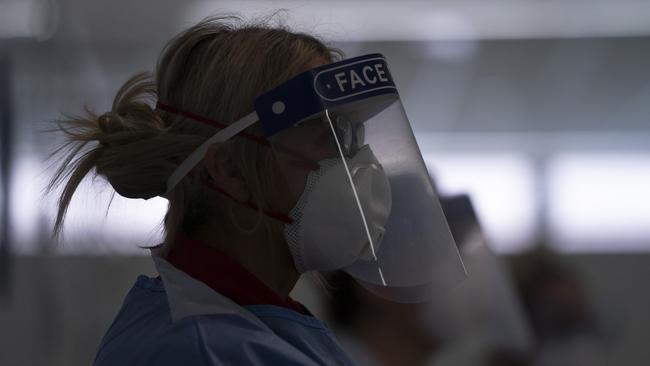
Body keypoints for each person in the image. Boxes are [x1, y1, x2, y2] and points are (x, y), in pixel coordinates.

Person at [47, 15, 465, 365]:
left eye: (351, 136)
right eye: (325, 133)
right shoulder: (195, 351)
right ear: (230, 169)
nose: (357, 164)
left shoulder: (260, 325)